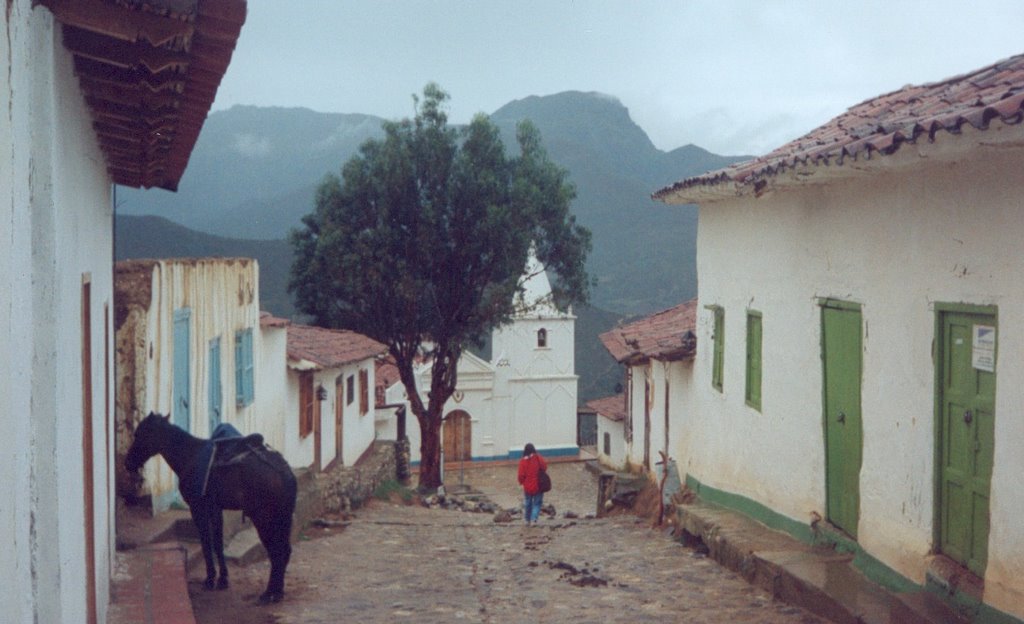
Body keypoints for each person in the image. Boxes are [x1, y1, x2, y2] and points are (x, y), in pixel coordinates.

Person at [517, 442, 547, 526]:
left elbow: (521, 475)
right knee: (537, 503)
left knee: (528, 503)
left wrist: (522, 482)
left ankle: (527, 520)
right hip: (538, 485)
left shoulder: (523, 461)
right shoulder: (538, 458)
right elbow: (544, 467)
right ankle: (534, 519)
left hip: (527, 486)